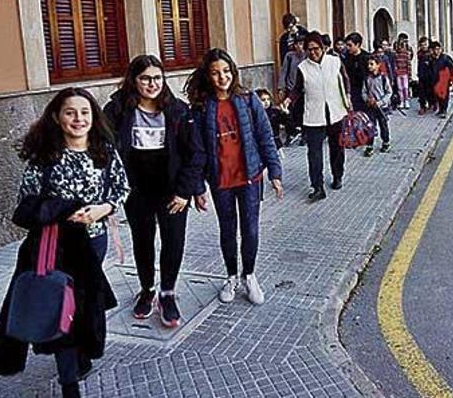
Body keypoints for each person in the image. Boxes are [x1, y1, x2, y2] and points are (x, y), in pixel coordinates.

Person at [0, 88, 130, 398]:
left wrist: (102, 209)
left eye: (84, 112)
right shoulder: (46, 155)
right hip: (54, 246)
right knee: (59, 303)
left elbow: (121, 188)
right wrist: (61, 211)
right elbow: (24, 204)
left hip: (93, 244)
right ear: (57, 116)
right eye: (70, 112)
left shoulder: (103, 150)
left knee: (82, 305)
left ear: (93, 117)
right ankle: (69, 383)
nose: (78, 119)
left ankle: (79, 354)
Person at [103, 55, 205, 327]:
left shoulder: (178, 111)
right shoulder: (117, 110)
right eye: (145, 78)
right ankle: (147, 289)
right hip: (137, 191)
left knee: (173, 241)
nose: (152, 84)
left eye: (157, 78)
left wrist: (186, 192)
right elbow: (104, 149)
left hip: (172, 191)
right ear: (133, 81)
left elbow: (195, 154)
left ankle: (167, 292)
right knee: (143, 240)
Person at [185, 48, 284, 305]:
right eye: (216, 73)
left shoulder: (248, 100)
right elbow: (196, 151)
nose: (222, 77)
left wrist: (275, 172)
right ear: (208, 76)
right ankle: (231, 276)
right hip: (221, 181)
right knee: (227, 230)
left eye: (226, 71)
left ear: (234, 72)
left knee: (250, 230)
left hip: (250, 178)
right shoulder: (201, 108)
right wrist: (197, 188)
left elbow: (265, 137)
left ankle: (249, 275)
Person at [284, 31, 351, 201]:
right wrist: (288, 100)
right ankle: (318, 187)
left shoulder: (334, 62)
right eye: (309, 50)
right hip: (313, 115)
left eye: (316, 49)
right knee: (314, 153)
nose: (313, 53)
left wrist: (348, 97)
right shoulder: (303, 68)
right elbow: (297, 89)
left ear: (322, 48)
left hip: (336, 113)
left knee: (337, 149)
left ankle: (337, 176)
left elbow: (344, 79)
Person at [362, 55, 393, 156]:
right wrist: (367, 99)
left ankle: (386, 142)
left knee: (383, 125)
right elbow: (364, 92)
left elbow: (389, 92)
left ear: (378, 65)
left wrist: (380, 102)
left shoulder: (384, 78)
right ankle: (369, 145)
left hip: (382, 107)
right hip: (371, 107)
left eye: (372, 64)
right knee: (370, 126)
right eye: (368, 64)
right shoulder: (367, 79)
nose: (369, 66)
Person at [344, 32, 372, 112]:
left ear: (357, 44)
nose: (347, 48)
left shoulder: (366, 57)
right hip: (352, 91)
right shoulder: (346, 58)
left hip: (365, 91)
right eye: (347, 45)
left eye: (350, 45)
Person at [430, 41, 453, 118]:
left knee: (444, 96)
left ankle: (444, 110)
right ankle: (441, 110)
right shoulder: (432, 59)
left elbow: (452, 68)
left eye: (438, 49)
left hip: (444, 81)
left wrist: (452, 79)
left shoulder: (445, 58)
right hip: (435, 80)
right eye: (435, 49)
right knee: (438, 96)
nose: (437, 51)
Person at [416, 37, 436, 115]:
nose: (424, 46)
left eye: (425, 44)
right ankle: (422, 107)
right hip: (421, 76)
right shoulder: (420, 53)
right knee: (421, 92)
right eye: (422, 45)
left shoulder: (431, 54)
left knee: (431, 91)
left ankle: (433, 103)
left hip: (430, 76)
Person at [394, 33, 413, 110]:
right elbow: (395, 63)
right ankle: (401, 101)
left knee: (405, 87)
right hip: (399, 72)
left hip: (405, 72)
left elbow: (409, 63)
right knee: (400, 88)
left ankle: (406, 100)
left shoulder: (407, 51)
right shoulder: (396, 54)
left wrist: (410, 74)